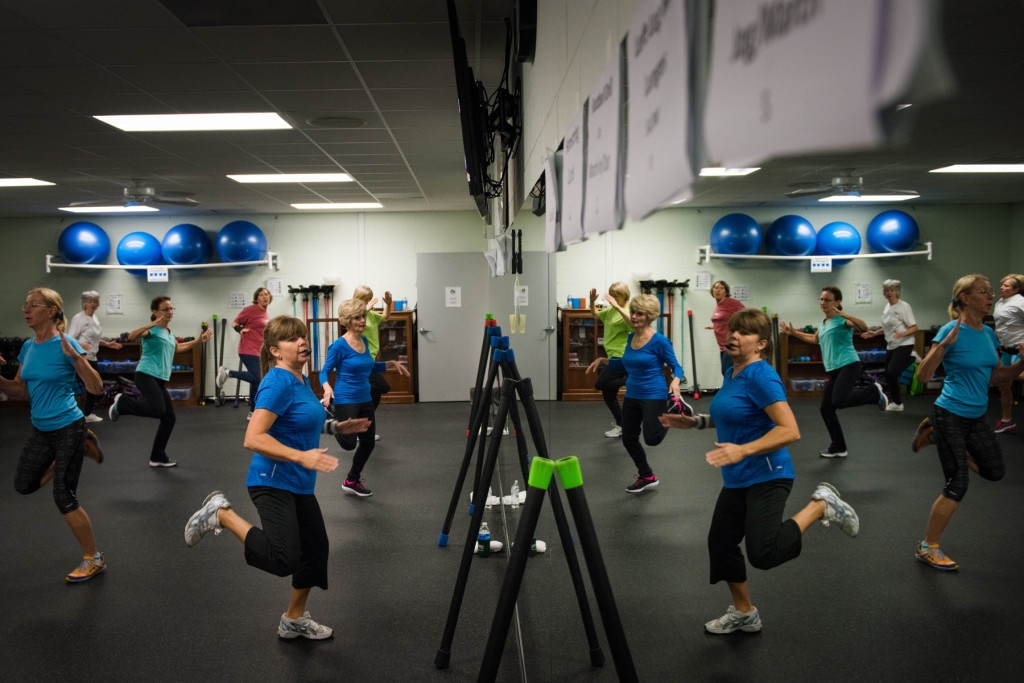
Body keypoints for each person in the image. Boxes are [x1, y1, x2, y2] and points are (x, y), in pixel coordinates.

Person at [660, 308, 859, 634]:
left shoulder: (762, 377)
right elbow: (737, 416)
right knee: (721, 543)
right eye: (733, 330)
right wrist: (696, 422)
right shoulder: (732, 373)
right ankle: (744, 612)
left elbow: (790, 430)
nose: (734, 335)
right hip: (738, 475)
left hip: (768, 473)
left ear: (762, 344)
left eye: (745, 332)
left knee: (764, 553)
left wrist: (743, 449)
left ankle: (821, 505)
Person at [183, 315, 370, 639]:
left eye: (302, 336)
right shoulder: (276, 382)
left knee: (314, 551)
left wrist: (337, 427)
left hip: (297, 482)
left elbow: (303, 420)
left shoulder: (299, 379)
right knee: (283, 558)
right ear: (274, 350)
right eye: (291, 339)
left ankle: (293, 619)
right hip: (270, 481)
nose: (302, 342)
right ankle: (221, 513)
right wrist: (301, 456)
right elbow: (253, 438)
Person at [913, 275, 1024, 570]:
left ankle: (935, 436)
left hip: (976, 416)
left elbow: (996, 377)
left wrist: (1022, 363)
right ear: (964, 298)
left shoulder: (989, 333)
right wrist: (941, 347)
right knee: (957, 483)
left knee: (995, 471)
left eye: (991, 292)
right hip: (949, 412)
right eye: (983, 292)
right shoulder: (951, 330)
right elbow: (923, 377)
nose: (990, 296)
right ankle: (928, 547)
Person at [0, 288, 108, 582]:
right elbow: (20, 389)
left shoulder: (67, 343)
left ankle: (93, 558)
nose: (27, 309)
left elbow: (96, 389)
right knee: (23, 484)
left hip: (69, 426)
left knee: (64, 495)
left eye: (34, 305)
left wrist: (77, 359)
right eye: (26, 304)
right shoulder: (28, 347)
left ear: (51, 310)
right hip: (41, 429)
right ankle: (81, 450)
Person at [780, 286, 888, 458]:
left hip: (849, 364)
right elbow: (814, 339)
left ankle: (874, 392)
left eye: (827, 300)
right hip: (834, 369)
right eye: (821, 299)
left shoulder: (841, 320)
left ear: (837, 302)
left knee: (838, 400)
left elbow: (863, 326)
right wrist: (792, 332)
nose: (823, 303)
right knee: (826, 409)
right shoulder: (824, 323)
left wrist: (843, 314)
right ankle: (838, 446)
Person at [108, 295, 212, 467]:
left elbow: (178, 348)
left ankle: (157, 456)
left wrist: (199, 341)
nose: (170, 312)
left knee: (169, 418)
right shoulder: (152, 330)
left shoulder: (169, 333)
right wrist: (153, 323)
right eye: (165, 309)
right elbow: (132, 336)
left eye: (171, 309)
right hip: (145, 374)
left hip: (159, 379)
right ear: (155, 311)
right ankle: (123, 403)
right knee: (158, 409)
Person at [320, 298, 409, 497]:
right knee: (350, 444)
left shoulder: (365, 341)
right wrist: (326, 388)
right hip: (345, 399)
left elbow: (367, 366)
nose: (362, 320)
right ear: (346, 321)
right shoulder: (338, 346)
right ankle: (329, 415)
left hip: (365, 398)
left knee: (368, 443)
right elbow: (324, 371)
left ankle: (352, 480)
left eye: (363, 316)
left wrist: (391, 363)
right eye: (357, 318)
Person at [606, 293, 688, 493]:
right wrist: (604, 361)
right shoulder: (630, 337)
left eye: (640, 314)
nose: (634, 316)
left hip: (654, 394)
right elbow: (628, 362)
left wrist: (676, 382)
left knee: (652, 439)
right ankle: (647, 475)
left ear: (649, 316)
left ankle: (676, 410)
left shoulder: (659, 341)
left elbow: (677, 367)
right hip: (632, 394)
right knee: (628, 438)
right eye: (633, 312)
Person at [859, 279, 918, 412]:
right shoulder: (887, 307)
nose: (889, 292)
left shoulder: (904, 307)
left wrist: (901, 335)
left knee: (892, 372)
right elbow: (887, 328)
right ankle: (897, 404)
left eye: (892, 290)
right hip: (891, 343)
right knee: (888, 374)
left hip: (905, 343)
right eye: (886, 290)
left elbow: (914, 327)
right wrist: (874, 334)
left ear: (897, 292)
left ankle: (911, 358)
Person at [66, 289, 123, 422]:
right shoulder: (79, 318)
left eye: (95, 301)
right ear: (84, 303)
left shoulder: (94, 319)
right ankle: (70, 413)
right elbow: (70, 339)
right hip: (80, 358)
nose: (93, 304)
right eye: (89, 301)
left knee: (95, 386)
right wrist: (80, 346)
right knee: (74, 386)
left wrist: (108, 345)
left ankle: (87, 414)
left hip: (92, 357)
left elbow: (94, 339)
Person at [217, 286, 272, 418]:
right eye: (261, 295)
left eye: (267, 294)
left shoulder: (265, 313)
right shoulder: (251, 310)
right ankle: (228, 372)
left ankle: (252, 412)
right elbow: (235, 322)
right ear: (256, 298)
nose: (265, 296)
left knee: (256, 382)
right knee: (257, 377)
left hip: (259, 351)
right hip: (248, 349)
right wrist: (239, 329)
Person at [586, 282, 631, 438]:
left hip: (623, 356)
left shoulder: (627, 310)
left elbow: (633, 323)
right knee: (608, 394)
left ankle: (628, 379)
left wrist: (617, 306)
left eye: (615, 294)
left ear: (624, 296)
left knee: (599, 383)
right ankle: (622, 426)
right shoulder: (610, 311)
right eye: (610, 294)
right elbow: (595, 315)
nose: (612, 297)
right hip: (612, 356)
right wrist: (592, 302)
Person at [352, 285, 392, 441]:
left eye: (370, 299)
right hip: (361, 359)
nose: (369, 302)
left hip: (371, 359)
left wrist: (388, 303)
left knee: (373, 393)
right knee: (382, 387)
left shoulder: (371, 314)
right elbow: (353, 327)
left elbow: (386, 318)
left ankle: (362, 427)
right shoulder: (356, 316)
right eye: (365, 299)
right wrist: (365, 310)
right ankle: (358, 426)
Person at [992, 273, 1024, 433]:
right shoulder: (1000, 302)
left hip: (1020, 349)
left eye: (1006, 286)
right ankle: (1006, 420)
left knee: (1016, 376)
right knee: (1004, 386)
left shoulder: (1021, 301)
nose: (1002, 288)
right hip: (1005, 349)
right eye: (1002, 285)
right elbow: (999, 324)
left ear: (1017, 289)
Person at [705, 280, 746, 377]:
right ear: (712, 291)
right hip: (722, 345)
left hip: (732, 343)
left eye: (721, 288)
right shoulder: (718, 305)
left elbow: (747, 316)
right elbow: (725, 319)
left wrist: (738, 330)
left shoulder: (732, 303)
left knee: (728, 371)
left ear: (726, 292)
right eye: (716, 288)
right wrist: (714, 327)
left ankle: (734, 391)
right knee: (727, 372)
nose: (718, 290)